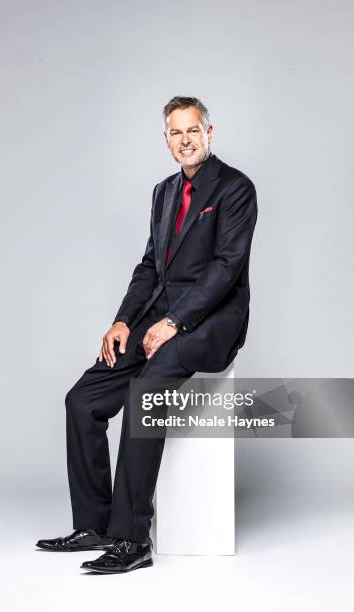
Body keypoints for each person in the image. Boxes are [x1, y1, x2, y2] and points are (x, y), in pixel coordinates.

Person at [36, 96, 258, 573]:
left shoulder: (236, 188)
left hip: (211, 321)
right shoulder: (162, 192)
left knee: (143, 399)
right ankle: (94, 524)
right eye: (176, 133)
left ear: (210, 133)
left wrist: (175, 322)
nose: (185, 140)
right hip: (157, 315)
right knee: (82, 400)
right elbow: (148, 267)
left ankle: (131, 539)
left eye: (193, 131)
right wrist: (122, 321)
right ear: (166, 140)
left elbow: (225, 269)